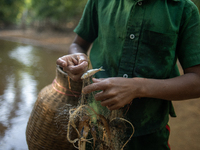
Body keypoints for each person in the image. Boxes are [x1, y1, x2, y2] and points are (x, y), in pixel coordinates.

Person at [56, 0, 200, 149]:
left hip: (149, 134)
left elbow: (197, 81)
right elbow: (78, 44)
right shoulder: (99, 2)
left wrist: (139, 87)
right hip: (94, 125)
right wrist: (78, 58)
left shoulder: (184, 9)